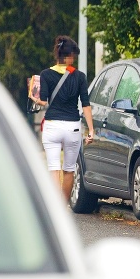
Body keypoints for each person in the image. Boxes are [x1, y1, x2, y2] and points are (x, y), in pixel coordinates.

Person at [29, 35, 94, 201]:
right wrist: (91, 130)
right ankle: (63, 208)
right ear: (70, 55)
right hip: (72, 127)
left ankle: (55, 208)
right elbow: (85, 104)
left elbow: (43, 102)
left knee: (53, 168)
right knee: (69, 169)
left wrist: (32, 96)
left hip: (52, 126)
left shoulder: (45, 75)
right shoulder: (79, 76)